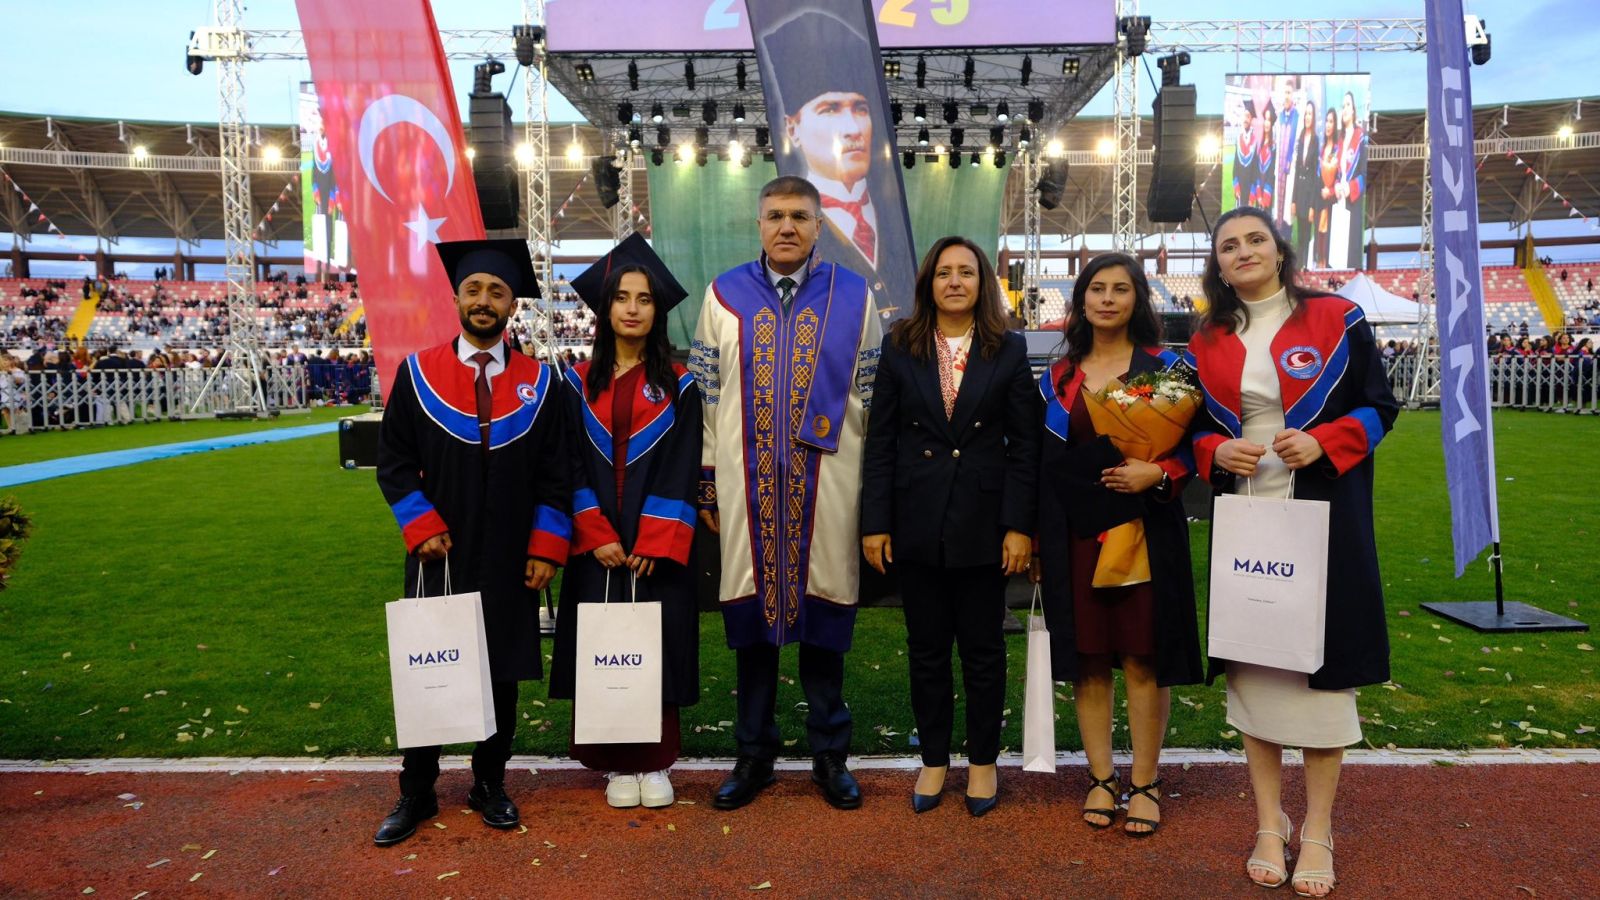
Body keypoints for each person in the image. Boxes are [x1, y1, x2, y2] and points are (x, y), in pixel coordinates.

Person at [1186, 206, 1398, 895]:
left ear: (1280, 251)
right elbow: (1191, 431)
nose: (1243, 251)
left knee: (1321, 679)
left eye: (1255, 239)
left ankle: (1319, 828)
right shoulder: (1207, 337)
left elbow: (1381, 407)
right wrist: (1217, 451)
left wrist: (1325, 441)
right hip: (1247, 516)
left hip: (1324, 513)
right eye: (1228, 246)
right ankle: (1269, 823)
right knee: (1255, 673)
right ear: (1218, 265)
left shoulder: (1338, 317)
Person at [688, 175, 882, 811]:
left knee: (824, 620)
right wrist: (710, 480)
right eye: (775, 216)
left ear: (819, 225)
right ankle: (754, 754)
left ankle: (830, 754)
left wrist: (869, 493)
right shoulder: (724, 295)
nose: (787, 227)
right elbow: (708, 397)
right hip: (746, 488)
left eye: (800, 216)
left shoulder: (853, 296)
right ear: (759, 224)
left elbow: (871, 398)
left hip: (830, 487)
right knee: (753, 627)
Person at [373, 238, 572, 847]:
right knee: (429, 667)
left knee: (502, 668)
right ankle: (417, 789)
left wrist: (546, 546)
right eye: (474, 289)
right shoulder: (417, 374)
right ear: (457, 298)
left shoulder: (542, 384)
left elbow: (558, 474)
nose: (485, 300)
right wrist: (421, 524)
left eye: (498, 292)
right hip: (440, 552)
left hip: (512, 553)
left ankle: (490, 782)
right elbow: (394, 463)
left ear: (513, 304)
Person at [859, 236, 1037, 817]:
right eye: (943, 273)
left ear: (982, 282)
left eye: (966, 272)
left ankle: (983, 761)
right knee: (927, 650)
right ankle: (934, 759)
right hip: (916, 522)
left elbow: (1025, 447)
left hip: (985, 527)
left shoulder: (1008, 348)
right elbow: (881, 442)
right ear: (928, 284)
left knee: (984, 651)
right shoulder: (900, 345)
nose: (955, 281)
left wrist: (1018, 526)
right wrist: (875, 523)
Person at [1034, 252, 1203, 837]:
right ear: (1081, 299)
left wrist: (1159, 473)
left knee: (1142, 655)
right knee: (1088, 658)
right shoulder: (1058, 378)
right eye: (1097, 288)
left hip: (1146, 530)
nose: (1108, 299)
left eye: (1121, 289)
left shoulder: (1167, 369)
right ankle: (1102, 778)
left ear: (1138, 299)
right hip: (1078, 535)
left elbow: (1196, 446)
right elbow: (1045, 464)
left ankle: (1146, 782)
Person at [548, 234, 702, 810]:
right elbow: (564, 462)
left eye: (644, 298)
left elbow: (684, 464)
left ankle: (657, 760)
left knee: (655, 644)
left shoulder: (681, 385)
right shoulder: (575, 383)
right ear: (605, 308)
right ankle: (615, 761)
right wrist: (595, 533)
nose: (633, 308)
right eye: (622, 297)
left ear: (657, 311)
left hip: (654, 547)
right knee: (605, 648)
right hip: (599, 546)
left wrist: (655, 540)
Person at [758, 10, 917, 315]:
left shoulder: (895, 215)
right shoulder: (794, 232)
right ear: (793, 129)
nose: (852, 129)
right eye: (830, 110)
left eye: (860, 109)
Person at [1328, 92, 1366, 269]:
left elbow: (1364, 175)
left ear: (1354, 110)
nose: (1344, 109)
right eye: (1343, 106)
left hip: (1353, 201)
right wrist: (1336, 185)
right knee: (1338, 252)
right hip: (1339, 201)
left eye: (1348, 105)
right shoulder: (1340, 140)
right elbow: (1337, 172)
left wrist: (1350, 188)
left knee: (1350, 250)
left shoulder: (1361, 137)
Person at [1292, 99, 1321, 266]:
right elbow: (1297, 171)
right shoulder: (1301, 139)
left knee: (1306, 233)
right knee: (1300, 234)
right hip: (1299, 192)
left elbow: (1315, 176)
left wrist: (1312, 206)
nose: (1307, 117)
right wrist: (1293, 200)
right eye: (1306, 114)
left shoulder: (1316, 140)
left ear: (1313, 116)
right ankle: (1298, 265)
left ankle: (1305, 265)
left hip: (1309, 195)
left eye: (1310, 113)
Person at [1316, 109, 1340, 270]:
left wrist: (1330, 191)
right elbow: (1318, 174)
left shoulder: (1337, 149)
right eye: (1327, 121)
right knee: (1319, 232)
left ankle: (1327, 265)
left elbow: (1339, 175)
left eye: (1331, 121)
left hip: (1332, 201)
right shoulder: (1322, 148)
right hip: (1320, 198)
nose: (1328, 125)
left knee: (1329, 233)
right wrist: (1321, 189)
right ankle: (1320, 262)